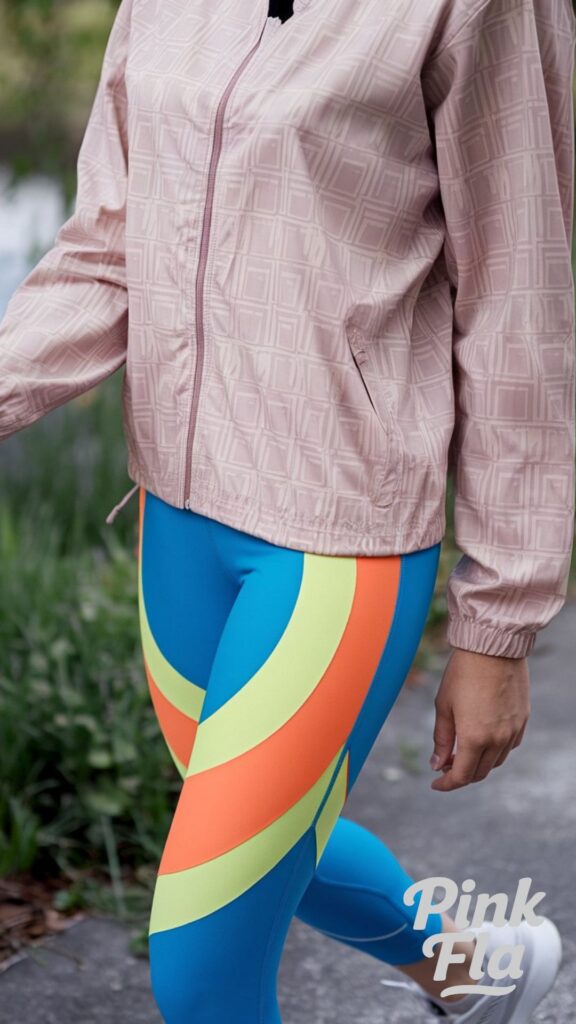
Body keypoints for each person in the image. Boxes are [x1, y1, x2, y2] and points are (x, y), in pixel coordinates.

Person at [0, 0, 574, 1021]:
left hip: (335, 541)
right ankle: (474, 970)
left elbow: (518, 311)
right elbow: (108, 247)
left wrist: (499, 622)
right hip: (179, 520)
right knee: (268, 835)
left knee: (199, 965)